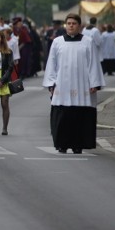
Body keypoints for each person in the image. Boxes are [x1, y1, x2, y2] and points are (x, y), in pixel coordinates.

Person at [42, 13, 105, 154]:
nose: (71, 26)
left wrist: (94, 83)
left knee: (80, 116)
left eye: (74, 23)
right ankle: (62, 144)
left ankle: (78, 144)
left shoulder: (88, 41)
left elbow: (93, 63)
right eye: (69, 23)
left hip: (82, 85)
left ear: (79, 26)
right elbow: (52, 63)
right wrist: (51, 83)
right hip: (62, 86)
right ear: (65, 25)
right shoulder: (57, 42)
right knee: (63, 116)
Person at [0, 30, 14, 136]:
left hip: (4, 78)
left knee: (4, 103)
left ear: (2, 39)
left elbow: (10, 67)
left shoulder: (8, 51)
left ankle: (5, 127)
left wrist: (2, 80)